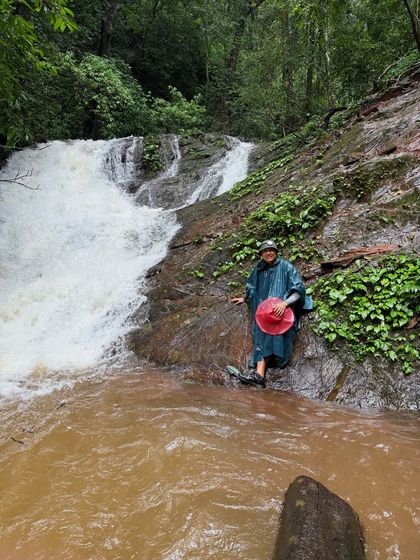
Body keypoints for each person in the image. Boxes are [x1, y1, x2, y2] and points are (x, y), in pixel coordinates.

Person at [230, 239, 310, 387]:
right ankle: (259, 375)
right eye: (265, 251)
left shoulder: (287, 267)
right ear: (261, 254)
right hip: (265, 311)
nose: (268, 253)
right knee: (260, 332)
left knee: (275, 332)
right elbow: (251, 286)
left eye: (271, 250)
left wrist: (285, 303)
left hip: (283, 309)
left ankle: (260, 375)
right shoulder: (259, 269)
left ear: (276, 252)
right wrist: (245, 298)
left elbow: (298, 290)